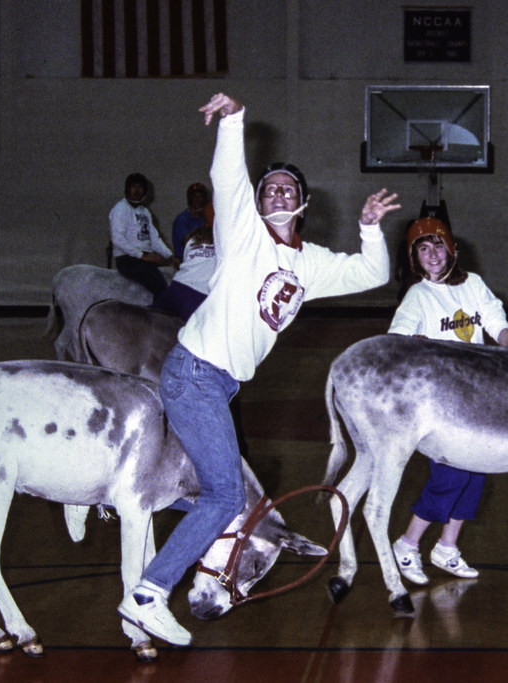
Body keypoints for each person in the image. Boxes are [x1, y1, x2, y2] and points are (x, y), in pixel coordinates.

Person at [118, 92, 400, 647]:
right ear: (259, 198)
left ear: (302, 204)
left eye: (288, 189)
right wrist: (233, 121)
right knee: (226, 497)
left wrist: (370, 227)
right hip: (194, 372)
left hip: (216, 385)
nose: (277, 191)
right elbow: (226, 177)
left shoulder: (310, 263)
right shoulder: (242, 235)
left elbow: (373, 273)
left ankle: (130, 496)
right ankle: (148, 595)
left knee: (214, 492)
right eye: (269, 186)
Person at [389, 216, 508, 585]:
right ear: (414, 258)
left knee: (476, 473)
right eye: (423, 249)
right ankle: (408, 543)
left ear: (451, 249)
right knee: (452, 474)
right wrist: (418, 345)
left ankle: (447, 548)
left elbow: (495, 319)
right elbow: (396, 338)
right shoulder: (418, 296)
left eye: (438, 245)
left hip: (475, 394)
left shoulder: (473, 284)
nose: (432, 254)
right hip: (437, 403)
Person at [109, 172, 179, 300]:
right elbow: (117, 239)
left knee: (163, 284)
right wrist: (143, 256)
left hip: (143, 260)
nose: (137, 190)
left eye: (140, 187)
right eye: (133, 187)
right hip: (128, 259)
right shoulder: (120, 209)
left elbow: (155, 239)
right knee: (160, 288)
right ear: (127, 189)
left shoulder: (145, 211)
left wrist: (170, 255)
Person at [151, 224, 215, 321]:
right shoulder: (221, 246)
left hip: (178, 286)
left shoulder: (192, 241)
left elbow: (186, 261)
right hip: (199, 294)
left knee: (152, 317)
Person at [171, 182, 212, 261]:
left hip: (201, 259)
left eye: (201, 196)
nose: (198, 200)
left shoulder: (205, 218)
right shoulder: (181, 220)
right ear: (190, 198)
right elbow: (190, 243)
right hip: (185, 261)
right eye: (195, 197)